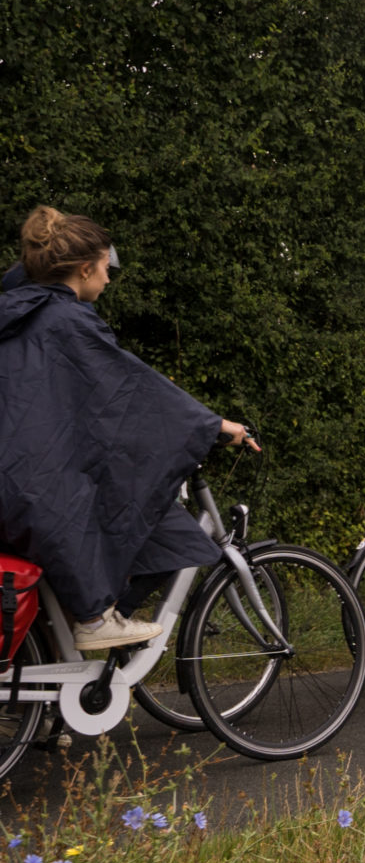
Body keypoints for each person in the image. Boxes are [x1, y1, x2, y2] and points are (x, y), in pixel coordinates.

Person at [0, 207, 260, 650]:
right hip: (39, 495)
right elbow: (135, 396)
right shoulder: (67, 322)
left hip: (14, 485)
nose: (107, 277)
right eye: (104, 268)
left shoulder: (15, 314)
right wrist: (215, 425)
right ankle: (97, 621)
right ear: (85, 269)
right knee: (169, 534)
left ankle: (64, 642)